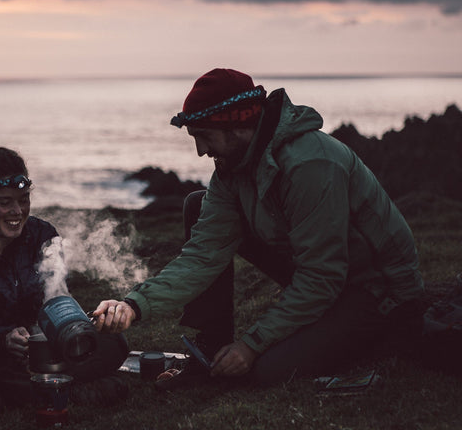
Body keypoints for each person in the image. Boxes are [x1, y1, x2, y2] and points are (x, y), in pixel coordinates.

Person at [93, 68, 425, 389]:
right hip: (324, 274)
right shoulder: (232, 168)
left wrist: (252, 345)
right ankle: (210, 348)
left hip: (375, 292)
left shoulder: (310, 164)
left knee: (266, 371)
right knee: (198, 203)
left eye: (205, 137)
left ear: (235, 127)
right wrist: (134, 305)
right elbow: (203, 255)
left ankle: (382, 336)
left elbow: (322, 278)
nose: (200, 151)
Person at [0, 147, 129, 417]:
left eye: (23, 199)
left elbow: (56, 298)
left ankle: (14, 393)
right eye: (5, 202)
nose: (17, 211)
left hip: (41, 351)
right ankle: (59, 389)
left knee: (115, 343)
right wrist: (3, 338)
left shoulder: (42, 234)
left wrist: (73, 324)